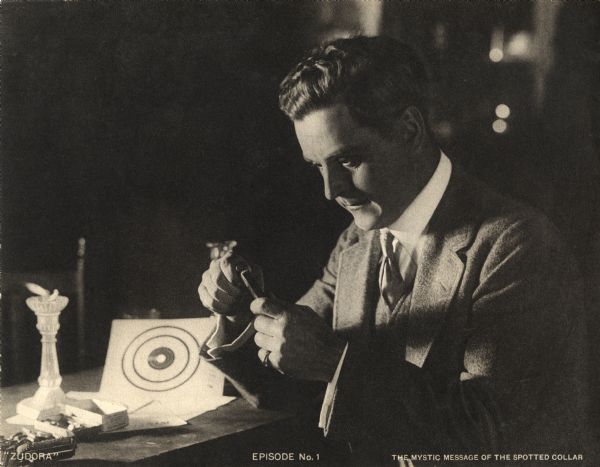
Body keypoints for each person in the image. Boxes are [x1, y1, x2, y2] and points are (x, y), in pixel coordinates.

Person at [198, 36, 588, 462]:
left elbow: (491, 435)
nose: (331, 192)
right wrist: (239, 314)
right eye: (317, 167)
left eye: (347, 161)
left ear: (410, 130)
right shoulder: (356, 243)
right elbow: (292, 382)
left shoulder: (516, 246)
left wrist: (333, 361)